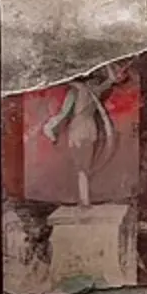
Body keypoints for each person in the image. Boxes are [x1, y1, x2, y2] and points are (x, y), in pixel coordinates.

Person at [42, 63, 127, 207]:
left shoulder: (74, 92)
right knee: (85, 167)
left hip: (78, 129)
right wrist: (108, 65)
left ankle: (84, 201)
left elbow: (64, 114)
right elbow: (112, 80)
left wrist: (50, 129)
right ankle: (85, 199)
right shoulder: (94, 91)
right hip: (91, 128)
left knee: (81, 168)